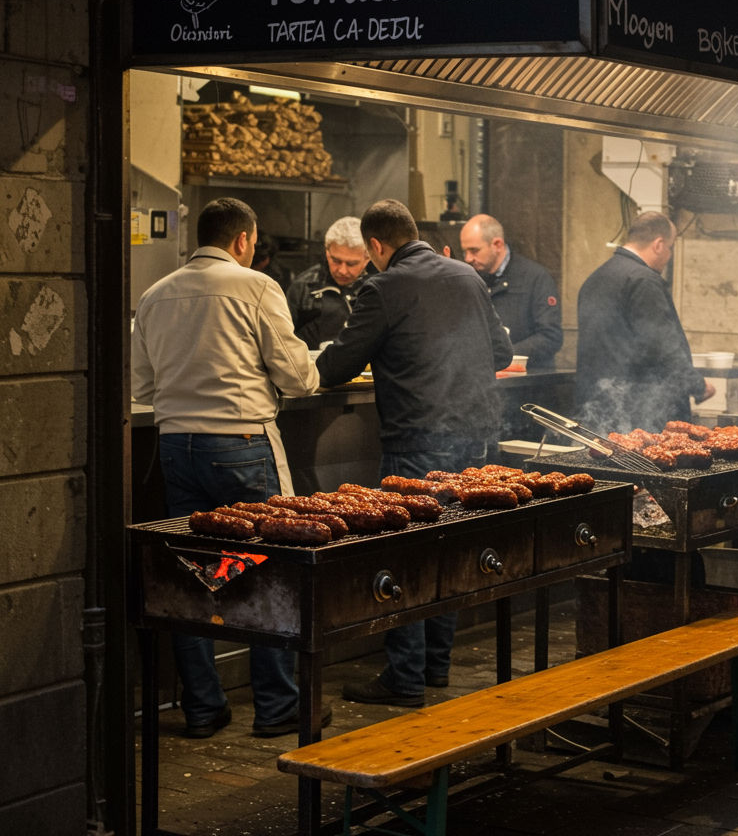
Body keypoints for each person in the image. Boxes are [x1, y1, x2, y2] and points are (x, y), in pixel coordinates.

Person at [131, 197, 324, 738]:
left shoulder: (153, 295)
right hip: (241, 445)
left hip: (176, 447)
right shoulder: (256, 287)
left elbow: (140, 386)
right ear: (243, 240)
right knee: (267, 572)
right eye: (254, 243)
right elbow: (296, 376)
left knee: (194, 577)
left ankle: (203, 707)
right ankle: (277, 707)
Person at [316, 199, 513, 706]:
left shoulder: (382, 287)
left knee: (406, 560)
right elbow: (503, 354)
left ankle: (405, 678)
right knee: (447, 552)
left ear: (377, 246)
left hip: (416, 441)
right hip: (472, 440)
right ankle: (436, 667)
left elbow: (336, 366)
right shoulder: (467, 277)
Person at [575, 211, 714, 432]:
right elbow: (660, 345)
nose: (669, 255)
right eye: (670, 247)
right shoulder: (643, 281)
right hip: (641, 412)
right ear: (658, 245)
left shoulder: (594, 279)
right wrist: (697, 384)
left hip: (601, 407)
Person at [458, 213, 564, 370]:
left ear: (497, 245)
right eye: (464, 251)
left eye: (474, 250)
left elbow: (550, 336)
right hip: (485, 380)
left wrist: (506, 356)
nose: (467, 258)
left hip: (529, 382)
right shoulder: (470, 278)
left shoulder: (535, 278)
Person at [285, 216, 372, 350]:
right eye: (336, 261)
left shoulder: (377, 288)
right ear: (327, 253)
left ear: (367, 258)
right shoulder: (303, 286)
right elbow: (283, 340)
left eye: (351, 264)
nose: (342, 270)